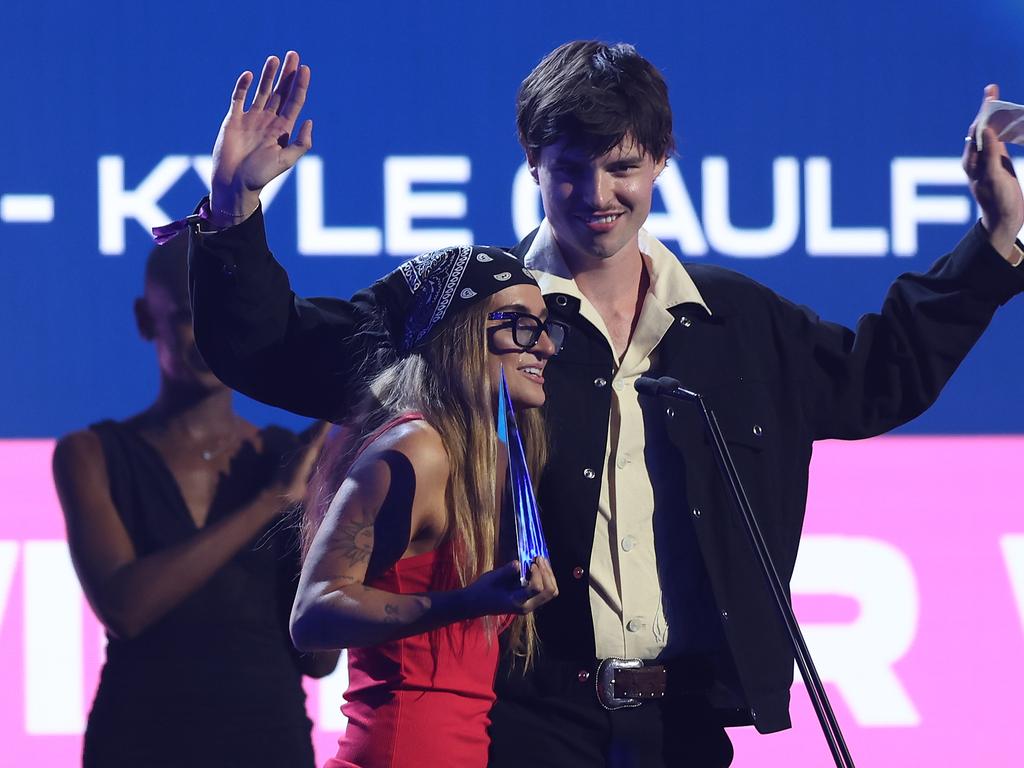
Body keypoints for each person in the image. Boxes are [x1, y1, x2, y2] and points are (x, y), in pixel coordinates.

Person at [184, 45, 1024, 768]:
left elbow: (881, 376)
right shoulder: (470, 321)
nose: (598, 194)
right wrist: (232, 206)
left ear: (661, 159)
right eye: (570, 168)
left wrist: (993, 240)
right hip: (524, 722)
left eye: (622, 165)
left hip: (688, 724)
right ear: (532, 164)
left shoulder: (734, 320)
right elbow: (275, 348)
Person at [51, 235, 338, 768]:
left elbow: (319, 659)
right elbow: (125, 609)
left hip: (268, 741)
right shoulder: (89, 454)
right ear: (145, 319)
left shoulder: (287, 457)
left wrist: (325, 513)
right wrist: (266, 505)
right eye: (187, 315)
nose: (208, 334)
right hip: (137, 742)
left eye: (222, 314)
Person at [288, 244, 561, 767]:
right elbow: (314, 614)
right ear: (459, 334)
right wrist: (466, 601)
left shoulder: (495, 454)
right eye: (522, 326)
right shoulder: (417, 448)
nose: (546, 346)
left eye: (545, 327)